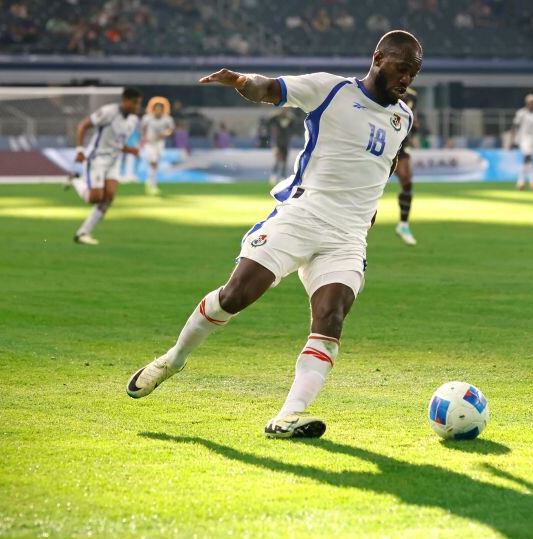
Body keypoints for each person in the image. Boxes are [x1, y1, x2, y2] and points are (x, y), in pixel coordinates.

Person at [126, 30, 422, 439]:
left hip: (348, 237)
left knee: (331, 317)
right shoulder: (329, 89)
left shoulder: (403, 118)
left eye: (414, 72)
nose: (408, 79)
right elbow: (272, 89)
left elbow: (385, 163)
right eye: (402, 68)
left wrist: (370, 208)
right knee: (235, 296)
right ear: (378, 58)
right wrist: (243, 82)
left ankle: (286, 418)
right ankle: (174, 359)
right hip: (302, 215)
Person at [70, 87, 142, 245]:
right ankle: (75, 180)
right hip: (97, 159)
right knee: (95, 198)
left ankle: (83, 233)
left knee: (108, 197)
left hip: (114, 161)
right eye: (135, 103)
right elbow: (82, 126)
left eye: (139, 104)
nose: (137, 107)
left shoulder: (133, 120)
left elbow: (118, 142)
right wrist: (80, 150)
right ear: (125, 100)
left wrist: (130, 150)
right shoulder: (109, 112)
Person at [393, 86, 418, 245]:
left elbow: (412, 117)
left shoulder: (413, 96)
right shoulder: (385, 89)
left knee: (407, 180)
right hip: (382, 140)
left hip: (401, 144)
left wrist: (415, 126)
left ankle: (403, 224)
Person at [140, 97, 175, 195]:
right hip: (150, 143)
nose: (158, 111)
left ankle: (149, 182)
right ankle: (152, 184)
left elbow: (171, 130)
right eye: (157, 108)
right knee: (153, 162)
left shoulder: (167, 119)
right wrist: (143, 137)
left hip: (160, 143)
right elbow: (142, 128)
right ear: (153, 108)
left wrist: (165, 134)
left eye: (160, 109)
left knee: (156, 164)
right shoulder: (147, 118)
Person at [512, 93, 533, 190]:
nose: (531, 104)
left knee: (528, 160)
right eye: (530, 102)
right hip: (523, 138)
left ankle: (521, 182)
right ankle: (531, 181)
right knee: (528, 158)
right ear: (526, 103)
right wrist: (512, 139)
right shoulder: (521, 113)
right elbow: (516, 126)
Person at [267, 106, 301, 185]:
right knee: (278, 159)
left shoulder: (290, 118)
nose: (284, 110)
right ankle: (274, 175)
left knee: (285, 160)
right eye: (283, 108)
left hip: (286, 142)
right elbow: (269, 121)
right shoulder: (276, 117)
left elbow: (295, 126)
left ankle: (282, 176)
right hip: (277, 141)